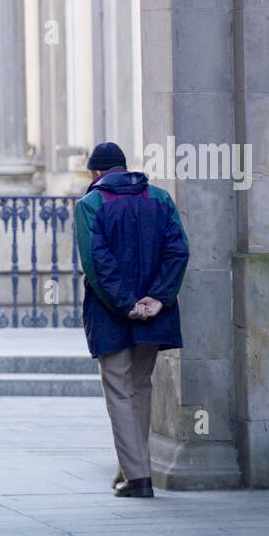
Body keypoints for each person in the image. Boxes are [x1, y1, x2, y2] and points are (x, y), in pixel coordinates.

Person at [74, 141, 189, 499]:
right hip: (154, 313)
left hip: (112, 314)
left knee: (120, 392)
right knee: (141, 387)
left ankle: (137, 478)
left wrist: (127, 304)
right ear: (125, 168)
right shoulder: (160, 198)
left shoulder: (90, 204)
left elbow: (97, 262)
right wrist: (157, 298)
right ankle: (133, 467)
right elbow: (178, 250)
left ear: (95, 174)